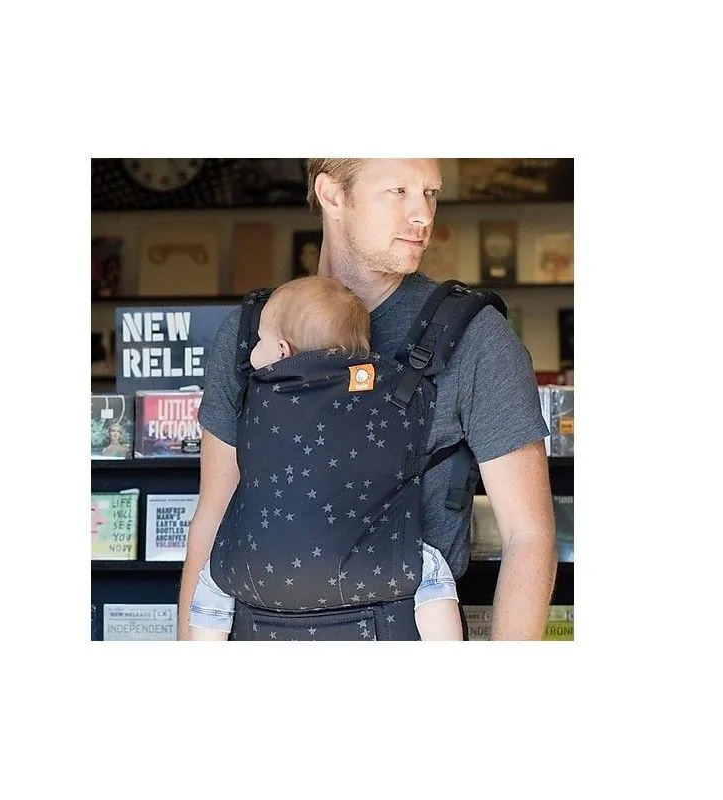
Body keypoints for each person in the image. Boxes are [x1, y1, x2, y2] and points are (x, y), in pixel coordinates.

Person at [178, 158, 557, 641]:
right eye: (398, 191)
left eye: (431, 192)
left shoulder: (476, 338)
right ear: (332, 195)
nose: (423, 214)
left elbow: (529, 538)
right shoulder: (249, 333)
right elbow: (212, 519)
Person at [187, 275, 464, 641]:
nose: (253, 351)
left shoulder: (257, 399)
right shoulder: (384, 392)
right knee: (432, 571)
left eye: (259, 341)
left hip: (259, 567)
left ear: (282, 351)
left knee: (212, 583)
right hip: (372, 565)